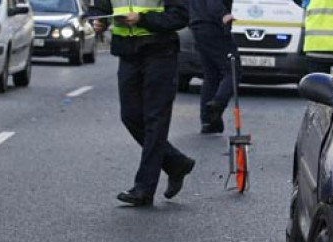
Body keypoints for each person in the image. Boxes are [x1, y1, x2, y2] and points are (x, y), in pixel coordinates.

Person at [90, 0, 196, 207]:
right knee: (130, 116)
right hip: (127, 53)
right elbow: (100, 8)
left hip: (160, 51)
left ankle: (144, 189)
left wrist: (143, 19)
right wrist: (97, 20)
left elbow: (180, 16)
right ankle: (176, 163)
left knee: (155, 119)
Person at [187, 0, 241, 133]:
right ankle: (217, 104)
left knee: (211, 75)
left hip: (198, 24)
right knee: (233, 70)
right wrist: (223, 14)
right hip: (214, 25)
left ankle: (208, 122)